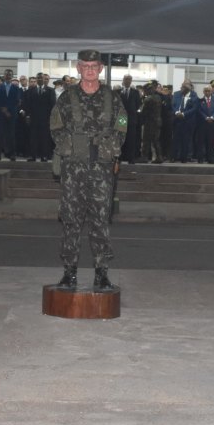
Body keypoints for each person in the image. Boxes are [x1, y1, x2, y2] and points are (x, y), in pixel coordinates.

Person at [50, 49, 127, 290]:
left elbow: (122, 125)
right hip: (74, 167)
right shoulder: (66, 98)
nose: (90, 69)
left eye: (94, 65)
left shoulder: (112, 98)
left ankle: (101, 274)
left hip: (102, 168)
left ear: (101, 69)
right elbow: (55, 126)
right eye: (86, 65)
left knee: (100, 220)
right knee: (71, 220)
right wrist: (71, 146)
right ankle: (69, 273)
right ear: (78, 68)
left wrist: (109, 146)